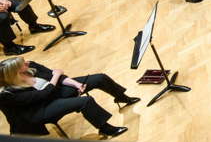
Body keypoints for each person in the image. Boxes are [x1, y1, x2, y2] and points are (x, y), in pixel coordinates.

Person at [0, 56, 135, 137]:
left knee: (99, 78)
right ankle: (105, 129)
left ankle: (121, 97)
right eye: (22, 63)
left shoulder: (31, 66)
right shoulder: (7, 94)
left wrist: (76, 84)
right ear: (16, 72)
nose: (27, 62)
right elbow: (42, 94)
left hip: (54, 93)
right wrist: (56, 76)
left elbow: (56, 76)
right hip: (39, 110)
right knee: (85, 101)